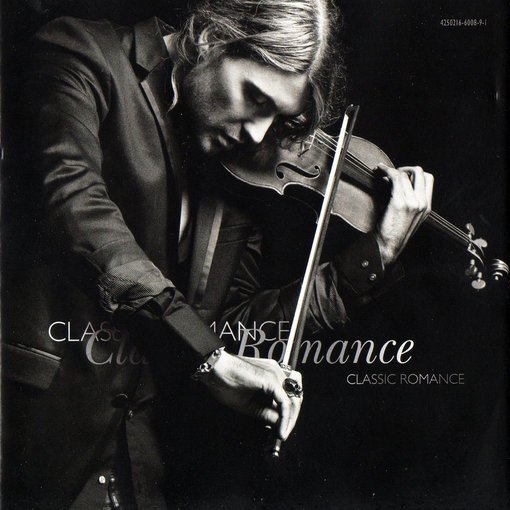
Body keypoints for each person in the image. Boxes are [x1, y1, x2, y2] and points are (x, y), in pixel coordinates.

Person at [2, 0, 433, 507]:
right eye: (255, 96)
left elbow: (227, 330)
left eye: (277, 116)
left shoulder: (231, 174)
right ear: (210, 38)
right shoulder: (82, 56)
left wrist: (374, 254)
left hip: (137, 468)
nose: (258, 134)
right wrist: (206, 358)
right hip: (31, 436)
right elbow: (78, 207)